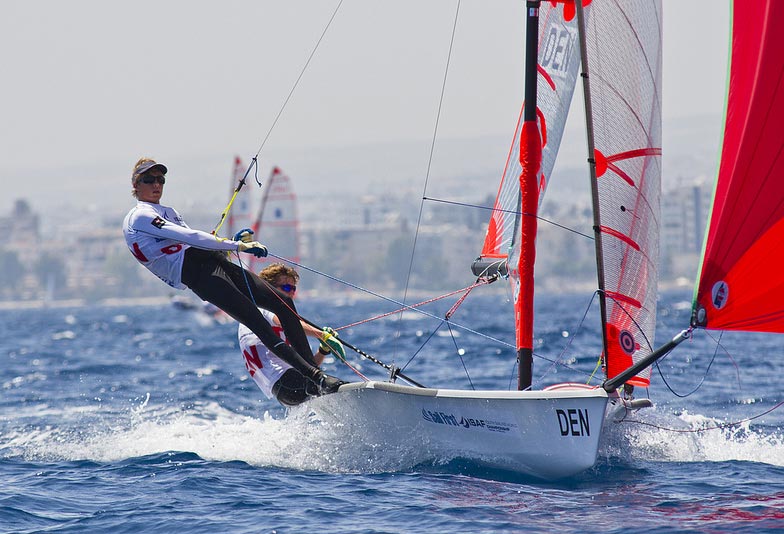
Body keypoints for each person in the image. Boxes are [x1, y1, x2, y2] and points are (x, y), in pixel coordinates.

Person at [122, 157, 346, 394]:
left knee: (283, 301)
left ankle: (313, 377)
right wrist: (239, 247)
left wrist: (230, 245)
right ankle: (316, 377)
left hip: (209, 261)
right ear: (136, 186)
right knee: (256, 321)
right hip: (197, 275)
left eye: (161, 179)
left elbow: (199, 243)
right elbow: (190, 238)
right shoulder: (140, 216)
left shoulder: (168, 211)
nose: (156, 184)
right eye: (148, 180)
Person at [239, 263, 345, 406]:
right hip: (286, 382)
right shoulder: (263, 310)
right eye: (286, 287)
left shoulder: (261, 321)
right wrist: (322, 335)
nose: (290, 293)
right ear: (268, 288)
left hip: (284, 391)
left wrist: (322, 350)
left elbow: (306, 366)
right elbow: (285, 321)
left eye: (293, 289)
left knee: (324, 383)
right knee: (335, 387)